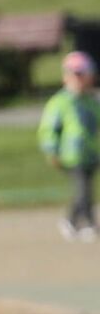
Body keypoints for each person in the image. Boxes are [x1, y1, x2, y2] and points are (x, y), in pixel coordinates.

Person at [38, 50, 100, 242]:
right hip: (71, 155)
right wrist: (51, 151)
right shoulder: (60, 102)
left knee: (85, 190)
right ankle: (81, 222)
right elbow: (49, 129)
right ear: (67, 77)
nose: (81, 80)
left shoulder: (91, 102)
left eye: (84, 75)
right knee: (82, 190)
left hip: (91, 154)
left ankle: (79, 221)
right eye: (77, 75)